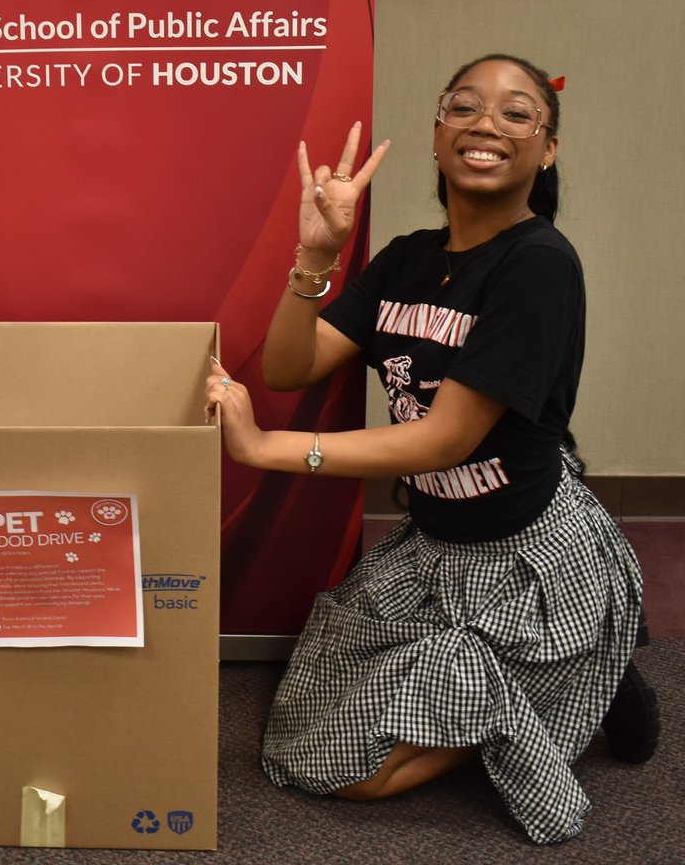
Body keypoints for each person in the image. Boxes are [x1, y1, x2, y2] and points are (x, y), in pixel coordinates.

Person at [205, 55, 658, 844]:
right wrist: (315, 256)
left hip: (527, 558)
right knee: (301, 737)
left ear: (547, 150)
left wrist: (265, 447)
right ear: (438, 131)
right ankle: (559, 683)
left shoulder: (540, 266)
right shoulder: (408, 258)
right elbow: (290, 363)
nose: (487, 124)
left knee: (357, 778)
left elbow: (445, 439)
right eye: (465, 107)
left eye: (519, 113)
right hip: (435, 546)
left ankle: (577, 675)